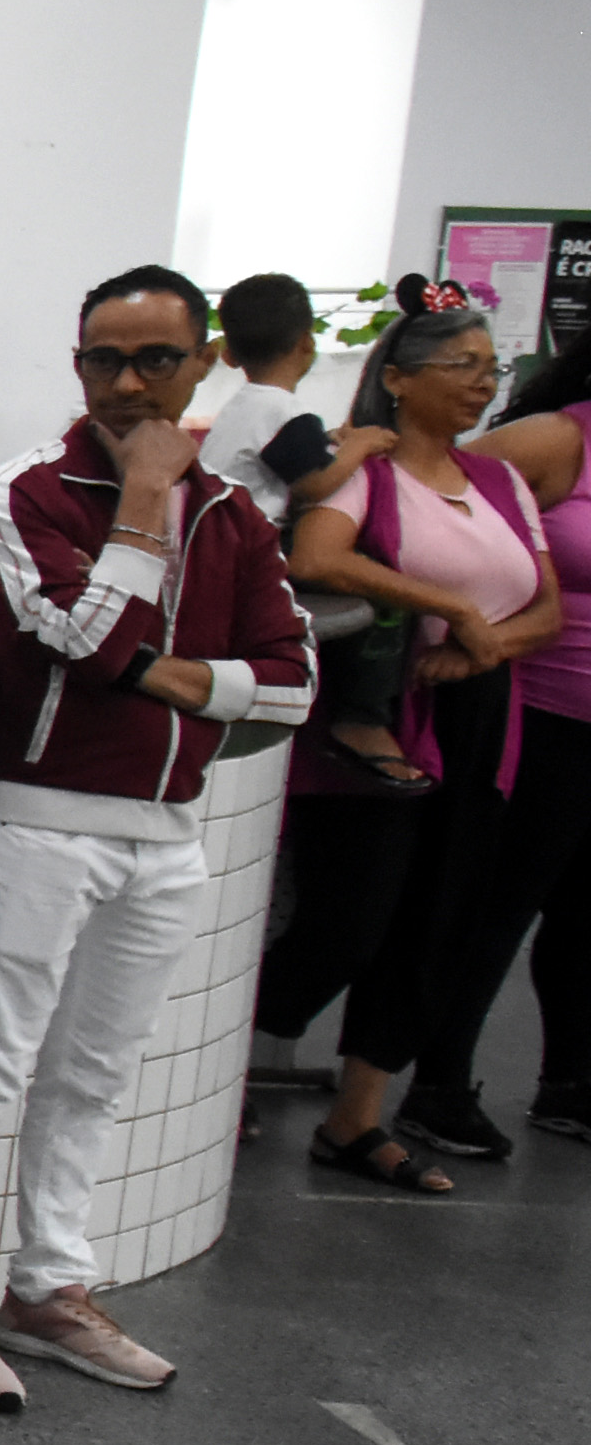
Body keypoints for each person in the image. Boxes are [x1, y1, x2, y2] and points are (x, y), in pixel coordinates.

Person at [0, 267, 312, 1407]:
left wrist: (175, 680)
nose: (125, 384)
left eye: (153, 361)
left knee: (93, 1073)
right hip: (36, 821)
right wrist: (137, 507)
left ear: (199, 363)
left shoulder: (233, 518)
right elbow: (79, 634)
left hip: (168, 832)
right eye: (101, 361)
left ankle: (48, 1285)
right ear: (76, 366)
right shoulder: (22, 492)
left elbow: (293, 684)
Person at [248, 301, 561, 1180]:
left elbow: (545, 607)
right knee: (350, 919)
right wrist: (453, 608)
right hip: (379, 719)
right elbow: (317, 558)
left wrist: (482, 648)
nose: (481, 382)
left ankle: (356, 1118)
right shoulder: (368, 464)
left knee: (437, 918)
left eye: (490, 368)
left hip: (477, 709)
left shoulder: (497, 483)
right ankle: (219, 1063)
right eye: (461, 364)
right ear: (397, 377)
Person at [206, 268, 424, 788]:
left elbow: (287, 457)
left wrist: (332, 441)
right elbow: (312, 485)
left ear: (230, 355)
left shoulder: (243, 407)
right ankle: (361, 714)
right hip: (253, 548)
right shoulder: (283, 408)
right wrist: (359, 447)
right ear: (307, 343)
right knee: (385, 591)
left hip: (218, 541)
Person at [460, 318, 591, 1141]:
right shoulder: (553, 439)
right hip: (543, 711)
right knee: (501, 904)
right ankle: (439, 1082)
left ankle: (569, 1082)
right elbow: (430, 508)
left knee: (585, 913)